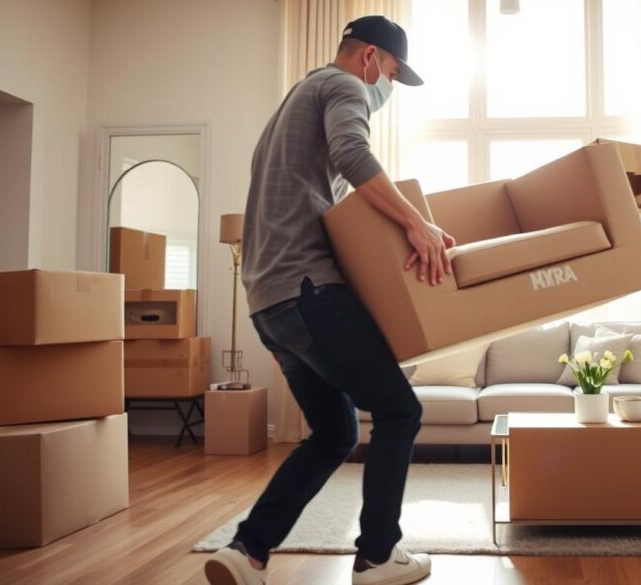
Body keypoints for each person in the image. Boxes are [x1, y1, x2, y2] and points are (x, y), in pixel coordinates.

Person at [204, 15, 454, 585]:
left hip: (270, 303)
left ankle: (248, 551)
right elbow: (353, 153)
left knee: (335, 434)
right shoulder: (344, 86)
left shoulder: (293, 103)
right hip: (307, 291)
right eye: (391, 72)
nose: (389, 86)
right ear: (369, 58)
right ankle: (377, 556)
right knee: (400, 411)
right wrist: (416, 223)